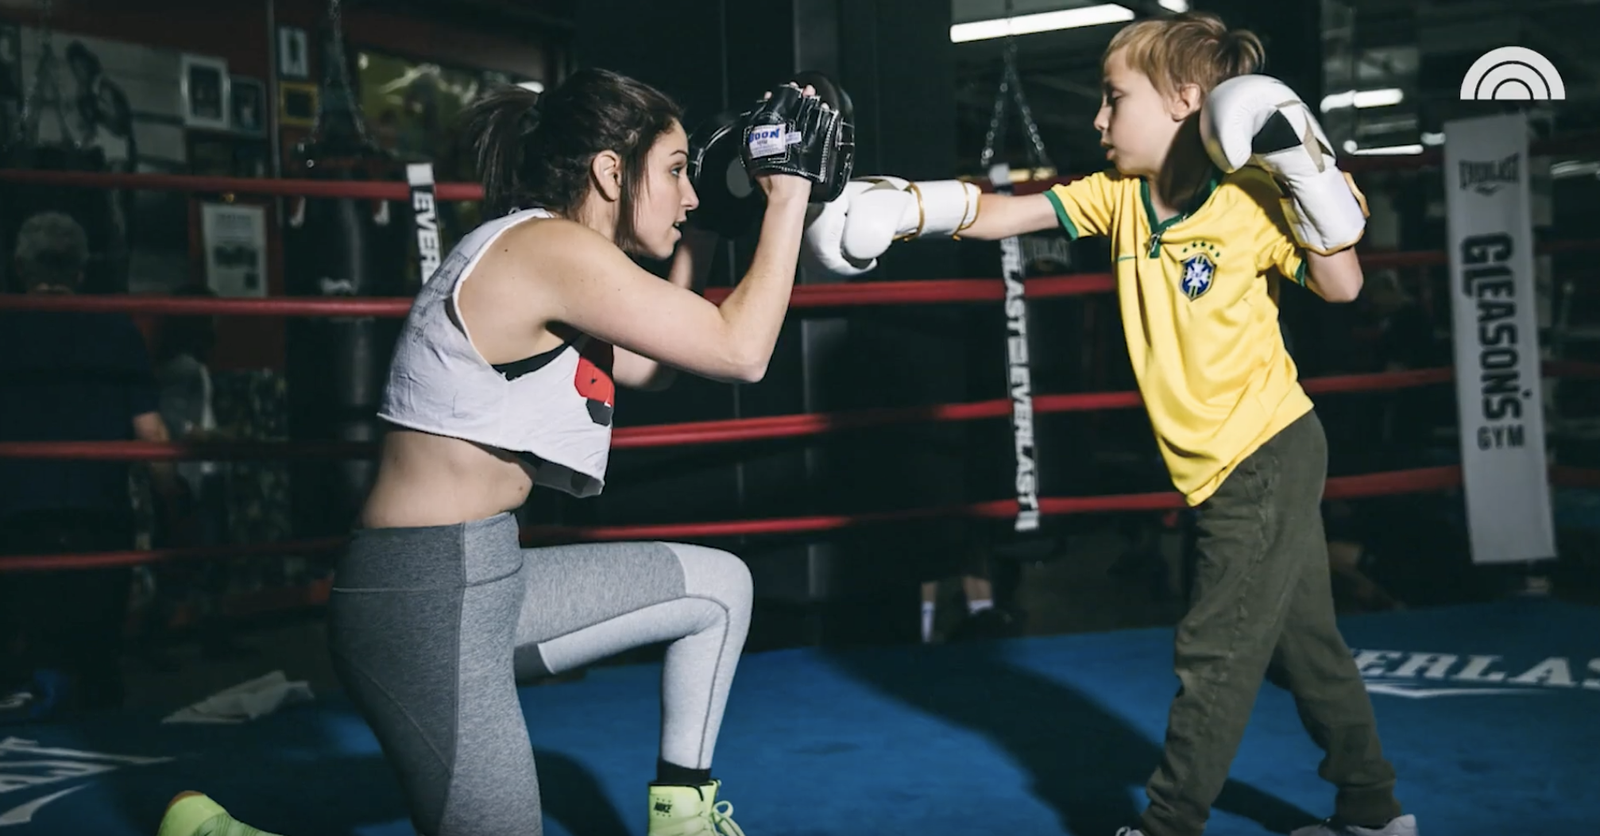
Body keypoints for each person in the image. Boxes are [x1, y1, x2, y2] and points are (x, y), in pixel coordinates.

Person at [157, 69, 835, 836]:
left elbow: (651, 364)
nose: (689, 195)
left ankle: (682, 818)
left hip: (492, 581)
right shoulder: (548, 250)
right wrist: (788, 196)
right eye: (676, 173)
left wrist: (708, 228)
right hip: (423, 602)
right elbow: (741, 351)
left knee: (718, 588)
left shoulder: (557, 254)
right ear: (611, 171)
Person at [803, 12, 1416, 836]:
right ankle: (1373, 812)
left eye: (1113, 97)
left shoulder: (1251, 198)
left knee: (1214, 653)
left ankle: (1168, 825)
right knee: (1306, 646)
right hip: (1220, 462)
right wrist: (907, 206)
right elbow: (1001, 214)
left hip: (1263, 451)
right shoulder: (1118, 200)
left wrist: (1305, 169)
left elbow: (1341, 285)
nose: (1097, 118)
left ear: (1185, 101)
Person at [0, 211, 188, 720]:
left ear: (19, 266)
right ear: (82, 271)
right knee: (99, 666)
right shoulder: (114, 328)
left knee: (20, 667)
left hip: (16, 522)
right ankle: (106, 765)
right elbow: (151, 433)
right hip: (98, 521)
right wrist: (172, 507)